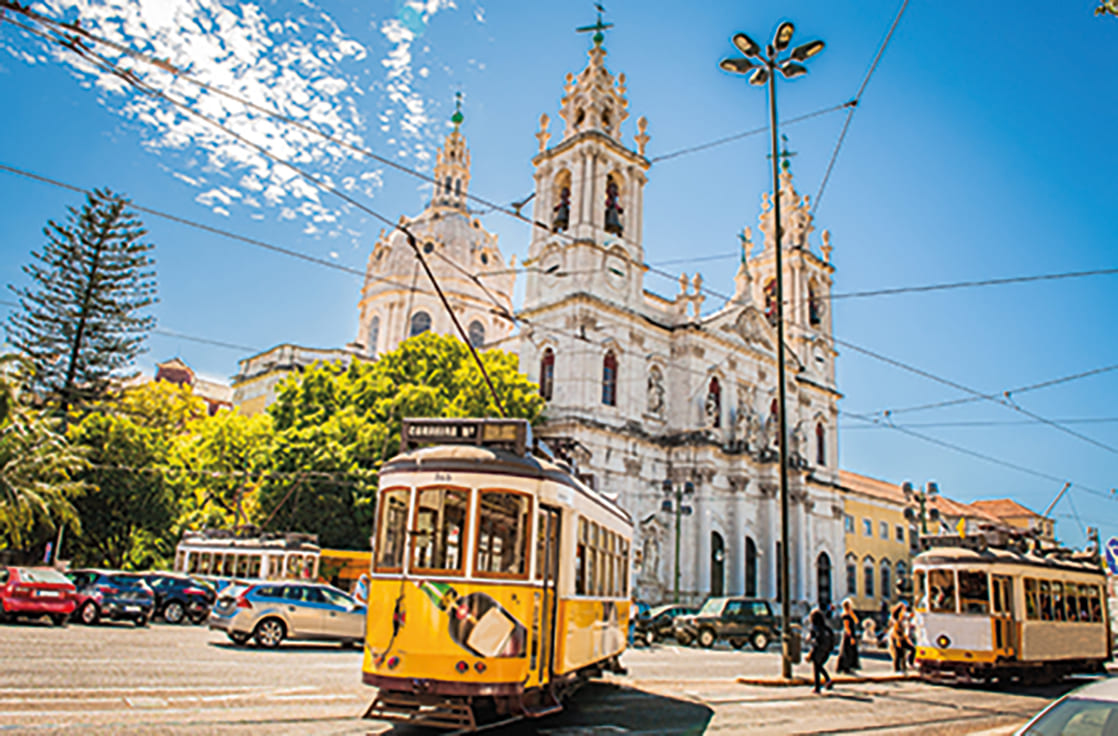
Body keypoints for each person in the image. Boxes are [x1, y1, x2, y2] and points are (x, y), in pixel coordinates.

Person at [808, 607, 834, 694]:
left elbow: (815, 639)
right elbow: (832, 638)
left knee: (816, 666)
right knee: (819, 666)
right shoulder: (826, 627)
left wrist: (811, 650)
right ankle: (828, 680)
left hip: (818, 649)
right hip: (826, 650)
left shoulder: (815, 627)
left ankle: (817, 687)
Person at [837, 598, 860, 674]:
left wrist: (853, 614)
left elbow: (856, 621)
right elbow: (846, 627)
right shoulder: (845, 615)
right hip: (848, 635)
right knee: (847, 651)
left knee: (851, 651)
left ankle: (849, 667)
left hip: (851, 633)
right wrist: (851, 637)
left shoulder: (850, 614)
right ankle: (845, 667)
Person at [889, 602, 913, 673]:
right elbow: (895, 630)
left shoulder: (900, 617)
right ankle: (898, 669)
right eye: (903, 609)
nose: (905, 611)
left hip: (900, 637)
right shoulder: (896, 619)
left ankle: (903, 667)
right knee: (898, 653)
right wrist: (898, 640)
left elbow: (906, 619)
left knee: (903, 652)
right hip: (896, 637)